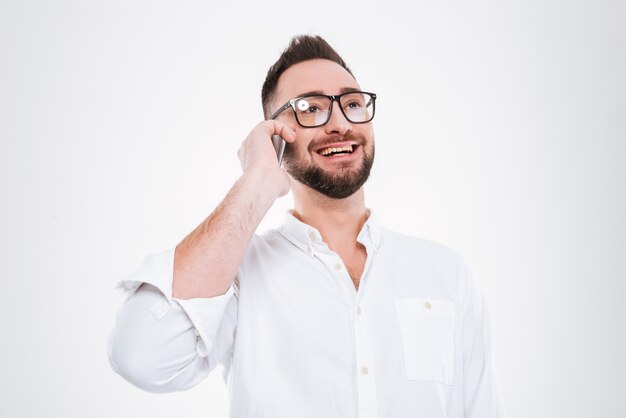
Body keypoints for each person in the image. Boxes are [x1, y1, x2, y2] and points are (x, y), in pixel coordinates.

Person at [108, 34, 505, 418]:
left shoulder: (445, 272)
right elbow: (140, 356)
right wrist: (256, 182)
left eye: (352, 104)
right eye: (311, 108)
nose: (340, 124)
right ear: (275, 136)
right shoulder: (238, 275)